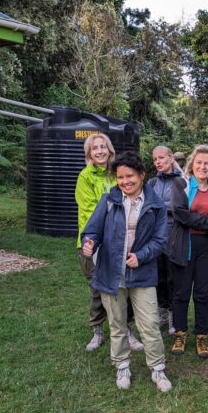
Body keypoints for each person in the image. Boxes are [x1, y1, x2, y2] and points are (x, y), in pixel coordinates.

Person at [81, 152, 172, 392]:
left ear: (141, 175)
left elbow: (161, 240)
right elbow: (92, 230)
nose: (125, 181)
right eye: (120, 177)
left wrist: (141, 256)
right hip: (111, 273)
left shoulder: (156, 204)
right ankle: (122, 365)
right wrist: (90, 243)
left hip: (142, 274)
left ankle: (158, 368)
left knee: (150, 324)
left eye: (129, 176)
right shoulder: (109, 200)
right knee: (117, 324)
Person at [75, 134, 143, 353]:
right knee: (98, 287)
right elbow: (90, 212)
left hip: (119, 241)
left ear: (110, 150)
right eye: (94, 148)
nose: (100, 151)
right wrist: (101, 237)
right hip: (93, 242)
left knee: (126, 284)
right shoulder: (85, 177)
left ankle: (128, 330)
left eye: (103, 147)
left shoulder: (117, 174)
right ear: (89, 153)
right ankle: (97, 330)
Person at [168, 145, 208, 358]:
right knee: (181, 292)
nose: (203, 167)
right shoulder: (181, 184)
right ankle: (179, 333)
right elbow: (180, 213)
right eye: (199, 163)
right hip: (184, 245)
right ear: (192, 165)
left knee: (203, 293)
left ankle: (201, 336)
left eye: (207, 163)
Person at [148, 145, 183, 334]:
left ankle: (173, 316)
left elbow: (183, 208)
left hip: (175, 235)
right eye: (155, 159)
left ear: (171, 158)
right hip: (155, 237)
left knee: (173, 277)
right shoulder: (152, 182)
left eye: (161, 158)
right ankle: (161, 312)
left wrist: (162, 209)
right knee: (158, 276)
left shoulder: (182, 181)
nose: (158, 162)